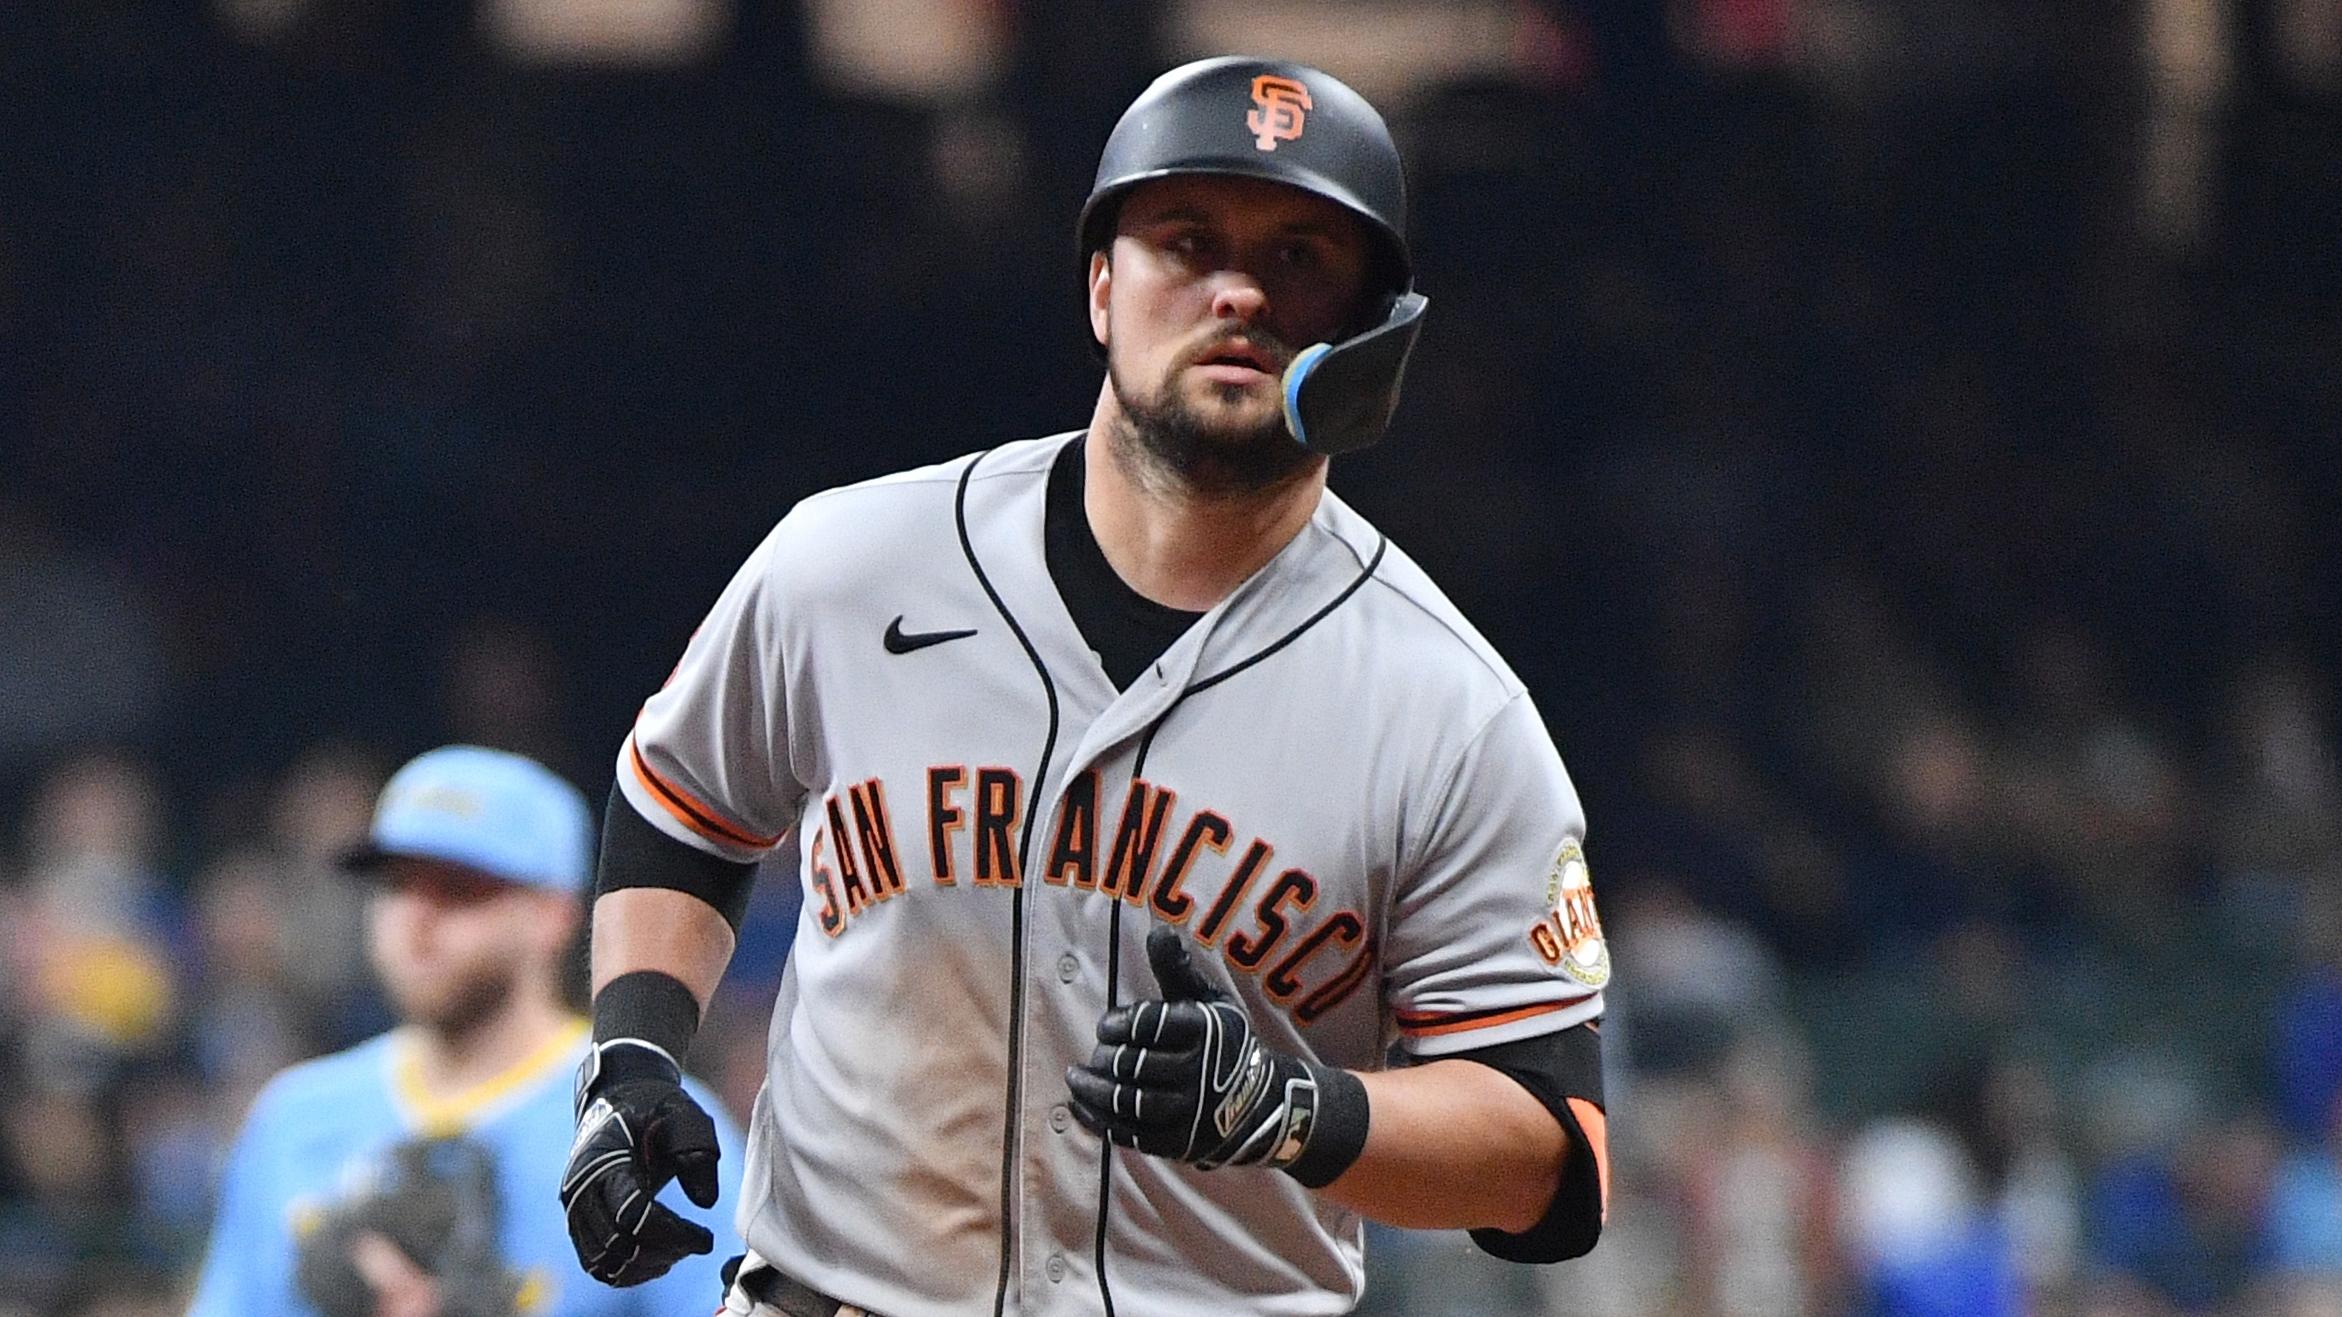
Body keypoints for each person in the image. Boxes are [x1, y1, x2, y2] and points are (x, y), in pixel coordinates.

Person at [561, 56, 1613, 1316]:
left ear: (1373, 329)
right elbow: (682, 804)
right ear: (1102, 288)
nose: (1237, 289)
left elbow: (1554, 1159)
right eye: (1186, 241)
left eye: (1299, 257)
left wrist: (1298, 1113)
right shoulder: (849, 563)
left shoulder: (1449, 710)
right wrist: (629, 1058)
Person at [189, 745, 745, 1316]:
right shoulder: (292, 1118)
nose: (416, 918)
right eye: (395, 886)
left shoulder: (644, 1126)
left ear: (552, 915)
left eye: (457, 889)